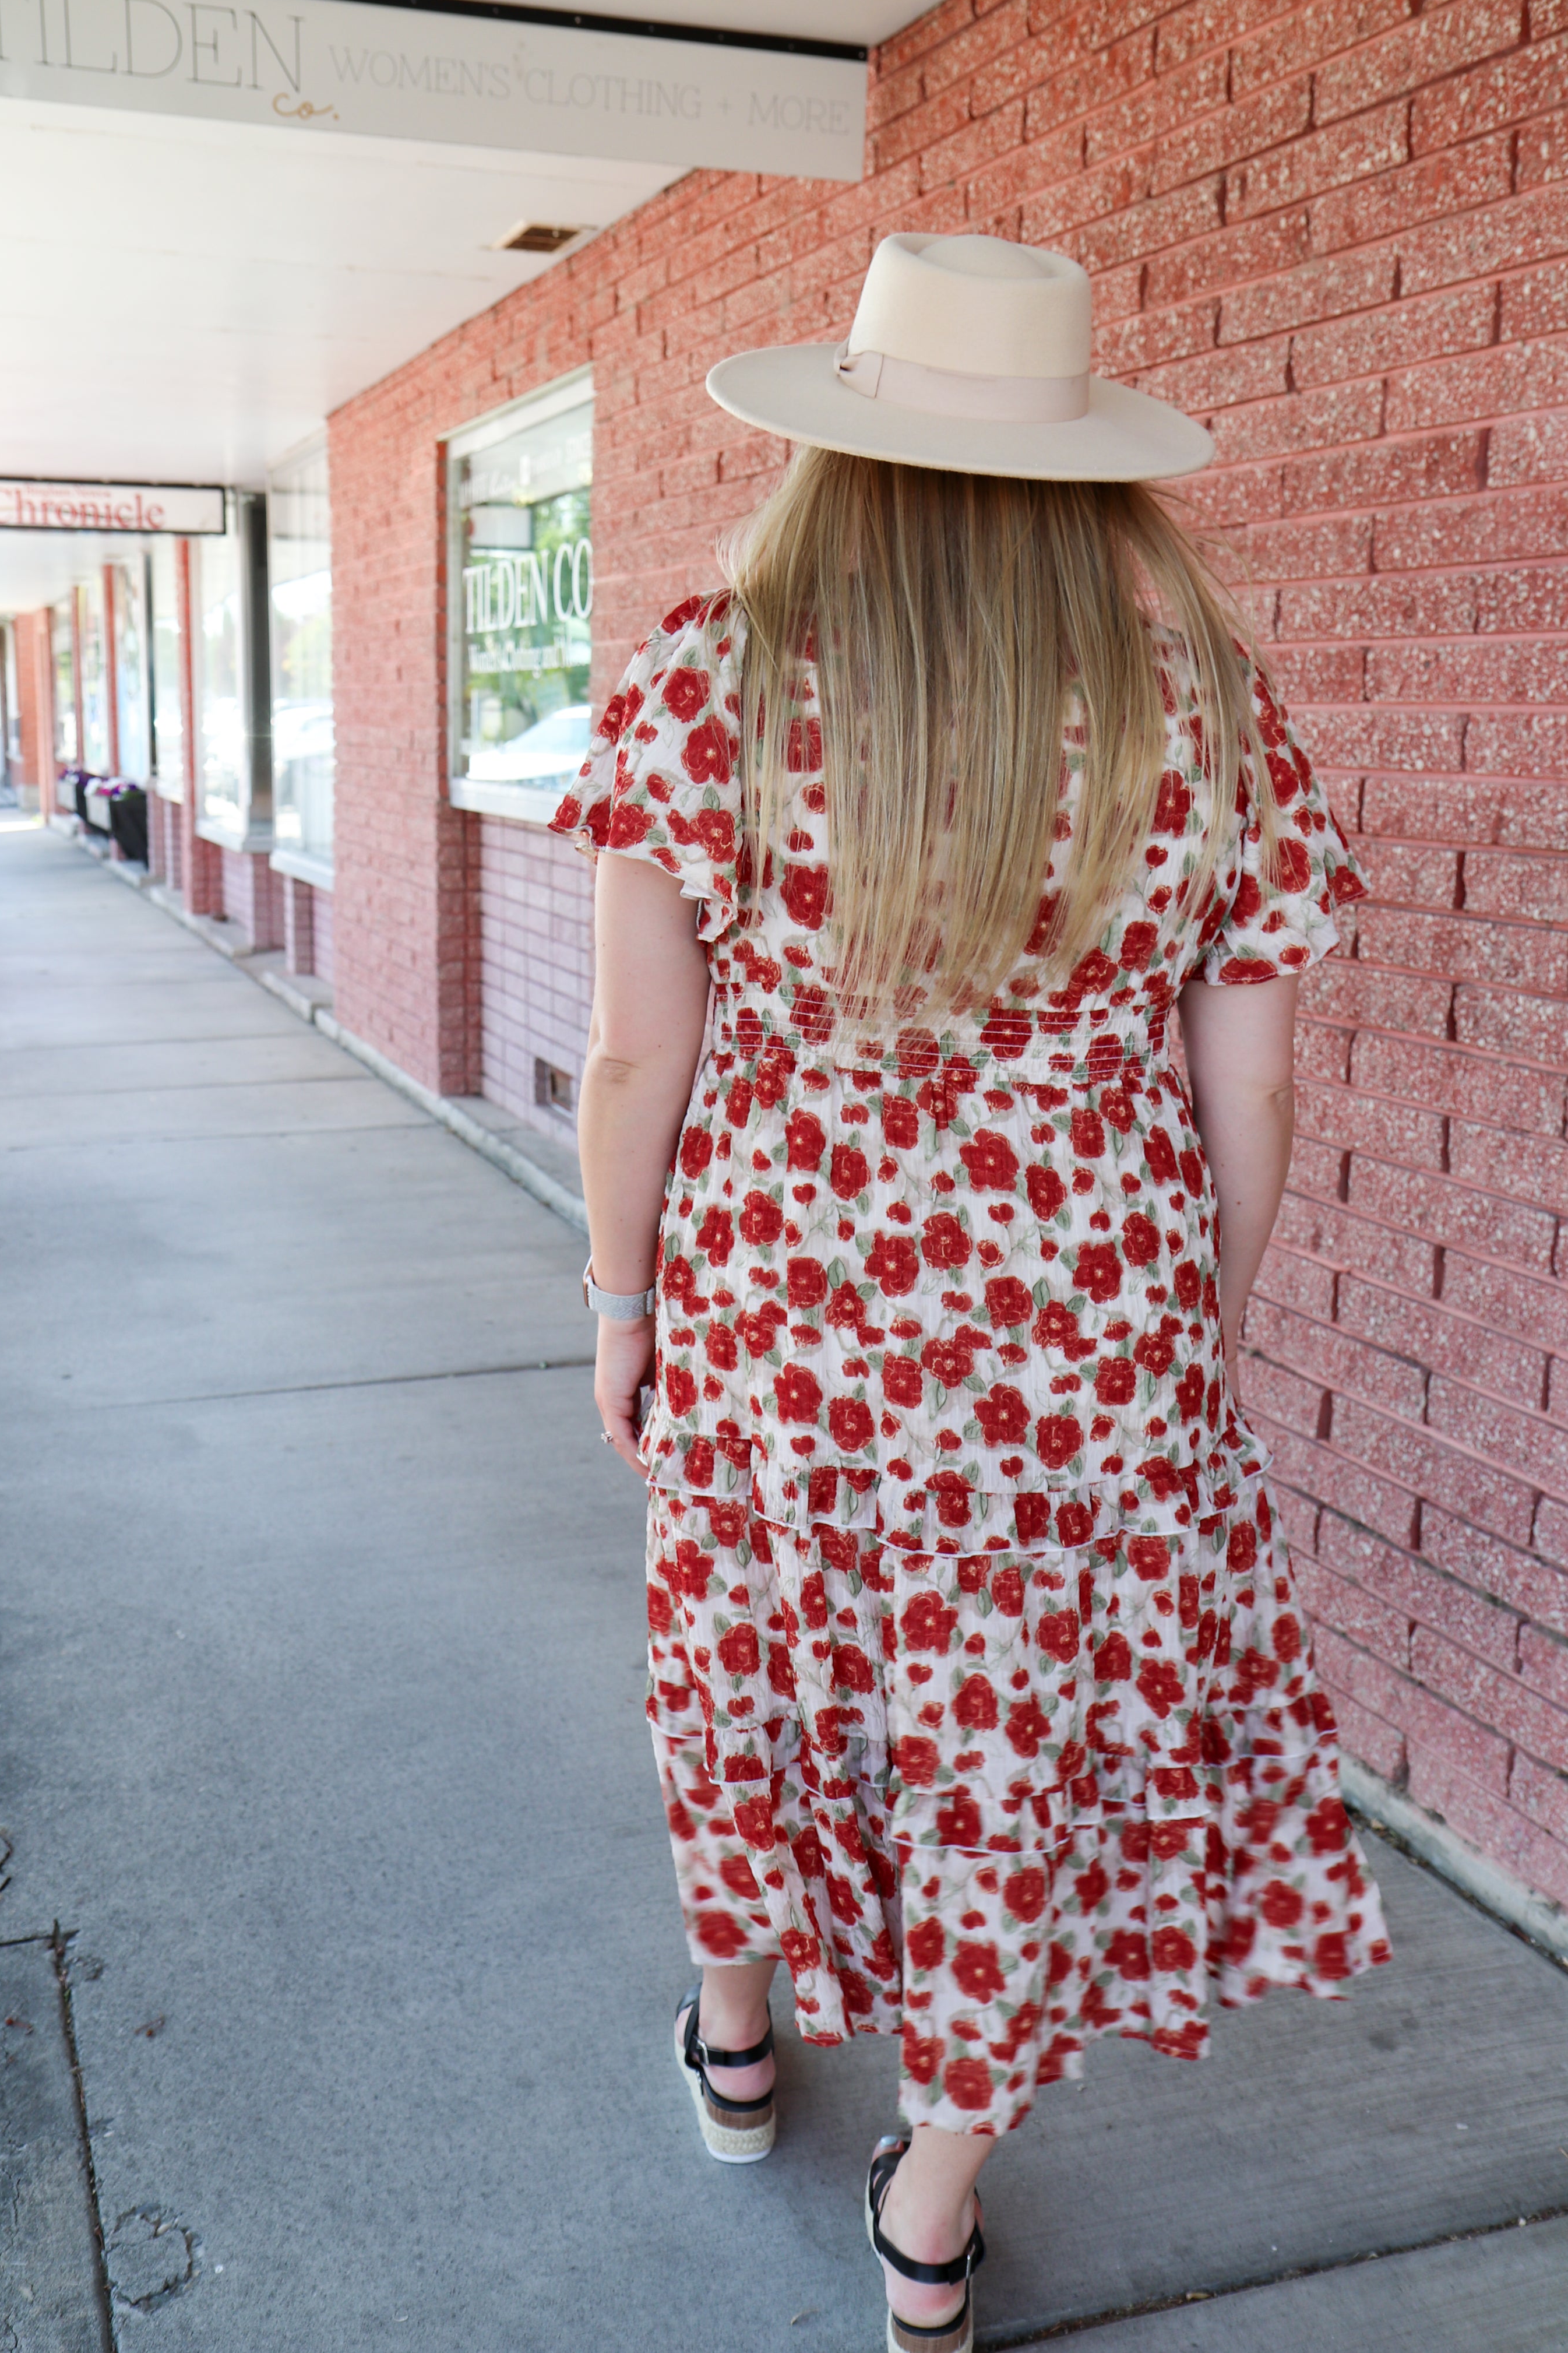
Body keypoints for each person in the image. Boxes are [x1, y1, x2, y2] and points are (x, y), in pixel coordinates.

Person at [552, 233, 1390, 2353]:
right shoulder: (1204, 714)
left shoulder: (702, 680)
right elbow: (1256, 1080)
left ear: (841, 449)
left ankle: (738, 2045)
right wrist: (1196, 1324)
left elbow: (642, 1057)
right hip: (1092, 1340)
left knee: (760, 1673)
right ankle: (932, 2210)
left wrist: (621, 1295)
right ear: (1086, 474)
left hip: (783, 1320)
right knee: (1014, 1740)